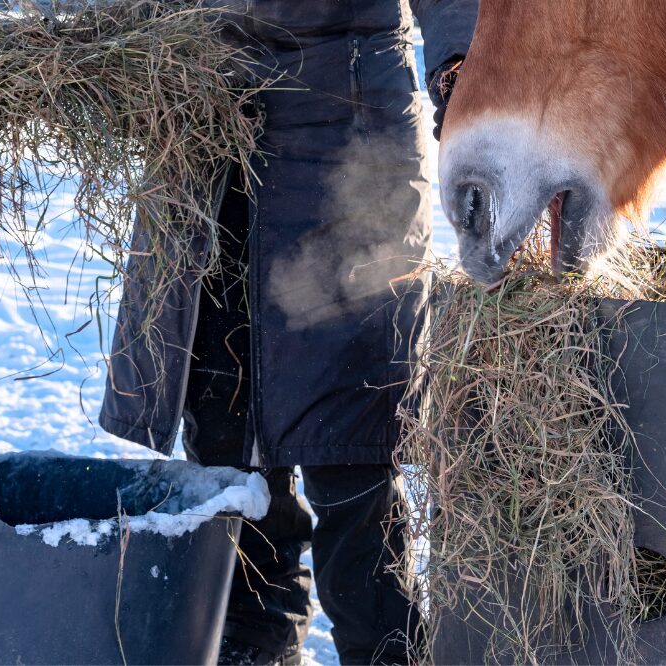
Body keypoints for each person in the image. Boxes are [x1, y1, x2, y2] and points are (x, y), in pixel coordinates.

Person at [99, 2, 477, 664]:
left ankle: (385, 653)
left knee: (349, 440)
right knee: (224, 423)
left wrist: (462, 62)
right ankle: (255, 644)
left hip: (346, 126)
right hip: (204, 113)